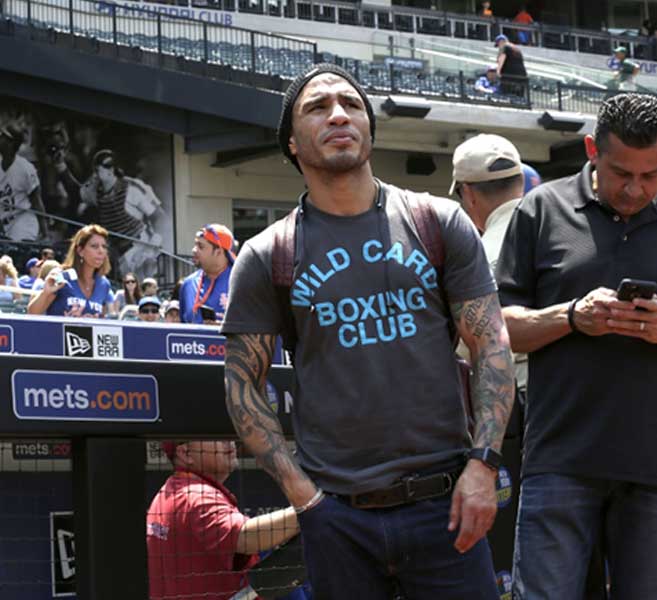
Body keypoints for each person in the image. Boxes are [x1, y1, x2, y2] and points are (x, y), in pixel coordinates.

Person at [222, 64, 515, 599]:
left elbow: (492, 345)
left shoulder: (438, 221)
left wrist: (483, 467)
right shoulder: (268, 254)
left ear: (370, 130)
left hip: (448, 506)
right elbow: (243, 386)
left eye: (351, 104)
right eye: (317, 107)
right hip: (338, 518)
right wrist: (304, 498)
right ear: (292, 142)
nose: (338, 115)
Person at [495, 93, 657, 599]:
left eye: (652, 175)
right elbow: (496, 328)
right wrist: (570, 317)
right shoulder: (541, 209)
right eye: (621, 172)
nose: (635, 188)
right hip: (560, 461)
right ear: (591, 150)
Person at [147, 440, 300, 600]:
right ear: (185, 453)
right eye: (215, 437)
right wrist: (311, 509)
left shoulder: (170, 490)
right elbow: (246, 536)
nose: (229, 441)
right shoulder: (196, 496)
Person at [76, 149, 168, 280]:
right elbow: (77, 192)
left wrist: (151, 248)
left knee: (145, 285)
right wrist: (61, 167)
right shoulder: (95, 191)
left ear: (110, 170)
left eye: (98, 170)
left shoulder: (132, 188)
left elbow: (159, 217)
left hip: (140, 246)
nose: (95, 174)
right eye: (94, 171)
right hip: (120, 253)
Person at [27, 223, 113, 317]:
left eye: (104, 247)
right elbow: (32, 314)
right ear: (80, 251)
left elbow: (101, 318)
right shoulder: (61, 276)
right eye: (94, 246)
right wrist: (45, 293)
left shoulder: (104, 284)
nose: (101, 251)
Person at [0, 122, 49, 241]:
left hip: (22, 221)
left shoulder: (25, 168)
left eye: (3, 136)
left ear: (11, 143)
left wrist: (45, 234)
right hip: (4, 224)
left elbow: (37, 201)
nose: (0, 138)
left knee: (16, 248)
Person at [179, 224, 234, 324]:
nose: (194, 250)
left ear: (218, 252)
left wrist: (224, 328)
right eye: (195, 245)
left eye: (200, 246)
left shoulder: (239, 283)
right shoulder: (188, 284)